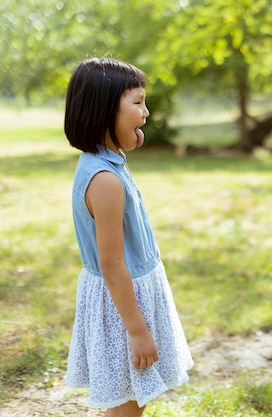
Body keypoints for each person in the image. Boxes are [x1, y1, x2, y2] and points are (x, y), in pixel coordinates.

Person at [64, 57, 193, 416]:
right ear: (104, 110)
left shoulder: (109, 163)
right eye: (137, 103)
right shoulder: (104, 180)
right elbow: (111, 263)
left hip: (130, 294)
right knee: (128, 403)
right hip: (121, 306)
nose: (146, 112)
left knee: (133, 397)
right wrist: (137, 330)